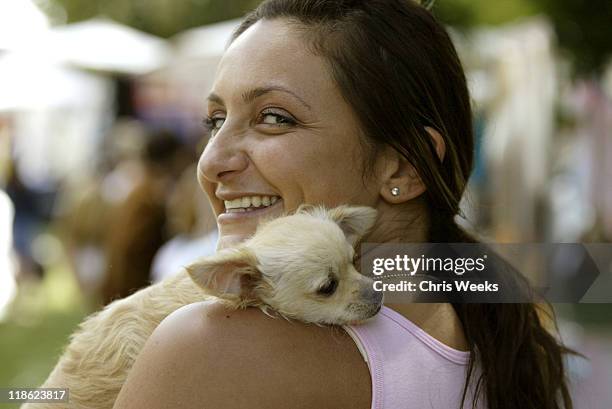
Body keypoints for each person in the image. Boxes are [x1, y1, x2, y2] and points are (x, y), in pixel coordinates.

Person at [113, 1, 574, 408]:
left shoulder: (212, 345)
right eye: (215, 120)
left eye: (275, 118)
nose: (211, 160)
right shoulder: (490, 334)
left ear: (402, 169)